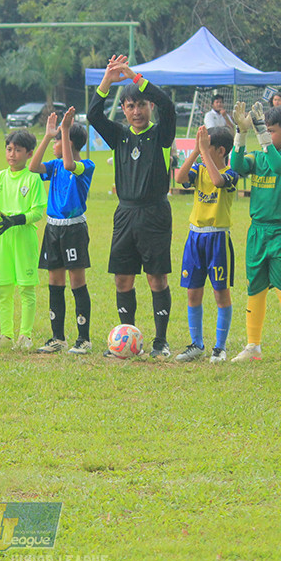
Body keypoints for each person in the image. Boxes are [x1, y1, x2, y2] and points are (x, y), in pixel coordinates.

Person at [88, 54, 176, 357]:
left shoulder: (161, 135)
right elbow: (93, 115)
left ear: (149, 106)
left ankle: (160, 342)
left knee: (156, 278)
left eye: (141, 105)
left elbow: (168, 105)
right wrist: (107, 81)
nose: (136, 111)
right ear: (123, 109)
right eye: (130, 106)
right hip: (125, 213)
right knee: (122, 278)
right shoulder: (119, 135)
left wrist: (135, 77)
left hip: (155, 213)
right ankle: (128, 340)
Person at [229, 103, 281, 366]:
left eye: (271, 131)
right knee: (255, 289)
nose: (266, 135)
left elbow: (279, 167)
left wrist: (262, 135)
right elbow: (236, 165)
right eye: (265, 129)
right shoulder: (258, 157)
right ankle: (253, 345)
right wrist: (241, 134)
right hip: (257, 231)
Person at [29, 107, 95, 354]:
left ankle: (83, 339)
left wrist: (65, 129)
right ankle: (58, 338)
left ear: (69, 142)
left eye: (57, 141)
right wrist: (48, 136)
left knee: (77, 282)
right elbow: (33, 167)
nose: (55, 145)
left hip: (74, 229)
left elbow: (69, 165)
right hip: (53, 229)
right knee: (55, 282)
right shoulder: (54, 165)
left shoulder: (85, 166)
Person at [173, 125, 237, 363]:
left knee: (221, 293)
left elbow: (218, 181)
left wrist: (204, 153)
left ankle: (219, 347)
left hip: (217, 238)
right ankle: (196, 344)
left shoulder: (231, 174)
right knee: (193, 292)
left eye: (206, 147)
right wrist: (196, 151)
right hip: (195, 237)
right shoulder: (198, 169)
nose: (202, 152)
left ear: (220, 151)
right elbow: (179, 178)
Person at [0, 129, 47, 349]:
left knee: (26, 288)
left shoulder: (33, 178)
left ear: (29, 154)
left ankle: (25, 336)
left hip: (24, 239)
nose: (12, 154)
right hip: (3, 240)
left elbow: (37, 212)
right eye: (9, 149)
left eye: (18, 150)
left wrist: (15, 220)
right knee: (4, 289)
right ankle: (6, 335)